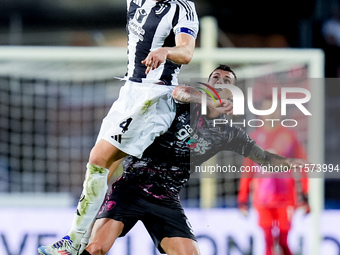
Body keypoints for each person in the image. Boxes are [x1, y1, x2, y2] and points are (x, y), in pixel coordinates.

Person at [77, 65, 310, 255]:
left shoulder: (228, 133)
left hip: (166, 199)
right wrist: (207, 101)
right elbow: (179, 91)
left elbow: (264, 158)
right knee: (97, 248)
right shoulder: (184, 103)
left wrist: (290, 163)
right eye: (215, 77)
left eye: (226, 80)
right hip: (132, 187)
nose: (219, 81)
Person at [38, 1, 199, 254]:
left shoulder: (181, 7)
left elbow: (187, 52)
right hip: (130, 93)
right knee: (99, 164)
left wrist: (166, 51)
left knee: (99, 158)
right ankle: (78, 238)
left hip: (153, 97)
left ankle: (74, 239)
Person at [237, 98, 310, 255]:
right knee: (268, 240)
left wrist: (305, 194)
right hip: (263, 198)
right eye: (266, 110)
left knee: (283, 240)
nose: (270, 114)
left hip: (286, 197)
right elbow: (247, 171)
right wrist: (242, 199)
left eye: (274, 110)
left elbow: (302, 166)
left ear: (279, 113)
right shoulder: (254, 138)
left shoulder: (289, 136)